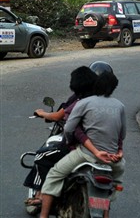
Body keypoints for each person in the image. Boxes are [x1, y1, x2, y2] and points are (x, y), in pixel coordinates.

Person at [39, 62, 126, 218]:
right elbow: (121, 134)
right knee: (111, 186)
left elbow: (69, 129)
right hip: (114, 159)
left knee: (53, 175)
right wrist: (119, 151)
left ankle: (43, 216)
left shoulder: (83, 103)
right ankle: (105, 214)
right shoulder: (120, 106)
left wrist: (72, 143)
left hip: (87, 155)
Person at [23, 66, 98, 207]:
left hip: (81, 148)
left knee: (41, 156)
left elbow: (65, 122)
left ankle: (41, 197)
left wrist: (41, 113)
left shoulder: (80, 102)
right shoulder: (106, 102)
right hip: (105, 150)